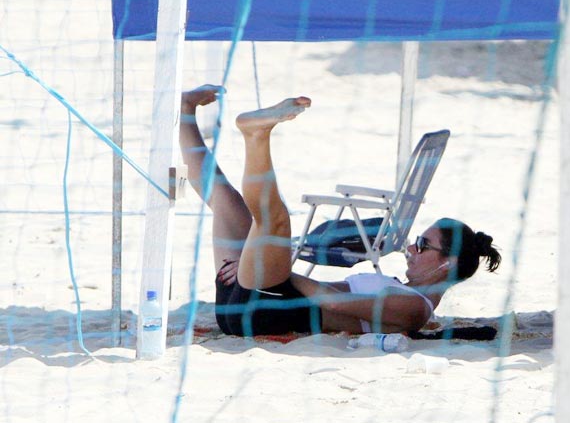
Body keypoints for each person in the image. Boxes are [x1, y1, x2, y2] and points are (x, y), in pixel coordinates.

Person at [180, 84, 502, 336]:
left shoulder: (415, 309)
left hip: (263, 312)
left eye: (423, 245)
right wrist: (258, 269)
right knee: (228, 204)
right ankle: (185, 110)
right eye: (418, 240)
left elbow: (331, 301)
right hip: (251, 304)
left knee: (275, 220)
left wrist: (272, 270)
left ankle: (256, 135)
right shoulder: (401, 290)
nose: (411, 248)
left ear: (448, 263)